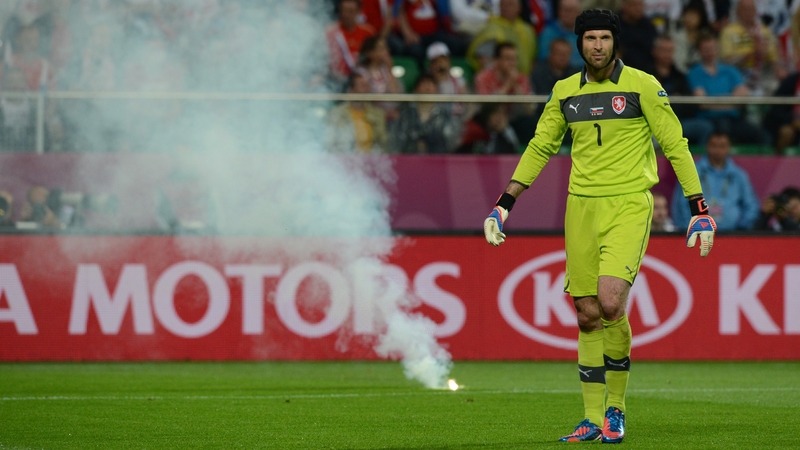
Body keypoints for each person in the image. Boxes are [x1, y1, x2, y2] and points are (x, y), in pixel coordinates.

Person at [482, 9, 716, 443]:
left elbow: (675, 145)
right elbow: (540, 146)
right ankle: (591, 418)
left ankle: (617, 409)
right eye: (590, 38)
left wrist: (698, 207)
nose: (597, 46)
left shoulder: (643, 85)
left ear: (615, 42)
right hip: (581, 209)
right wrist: (504, 203)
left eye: (605, 38)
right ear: (579, 42)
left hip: (629, 204)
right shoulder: (564, 92)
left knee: (610, 302)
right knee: (587, 313)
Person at [687, 33, 770, 146]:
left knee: (762, 135)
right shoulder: (694, 73)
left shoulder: (730, 70)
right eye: (706, 49)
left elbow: (743, 95)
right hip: (709, 119)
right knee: (721, 130)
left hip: (732, 118)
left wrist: (714, 101)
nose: (710, 52)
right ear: (699, 51)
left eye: (712, 48)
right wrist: (731, 99)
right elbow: (702, 103)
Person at [671, 132, 759, 232]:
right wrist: (690, 230)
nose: (718, 150)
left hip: (732, 236)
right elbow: (679, 205)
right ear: (707, 146)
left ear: (729, 148)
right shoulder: (692, 172)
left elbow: (751, 206)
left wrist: (740, 229)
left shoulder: (739, 175)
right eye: (714, 145)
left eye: (722, 146)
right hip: (698, 235)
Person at [390, 72, 461, 153]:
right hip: (410, 159)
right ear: (416, 89)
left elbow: (450, 142)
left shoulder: (445, 115)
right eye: (423, 83)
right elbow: (398, 140)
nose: (427, 87)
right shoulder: (407, 114)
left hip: (439, 159)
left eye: (430, 84)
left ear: (437, 90)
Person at [466, 0, 537, 74]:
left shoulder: (527, 30)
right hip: (498, 78)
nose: (506, 8)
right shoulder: (492, 28)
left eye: (510, 4)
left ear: (519, 8)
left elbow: (533, 59)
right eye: (502, 5)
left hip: (525, 78)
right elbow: (484, 60)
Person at [326, 70, 389, 153]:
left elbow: (383, 144)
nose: (367, 89)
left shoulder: (378, 114)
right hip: (344, 159)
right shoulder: (336, 113)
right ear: (351, 90)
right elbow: (330, 143)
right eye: (362, 86)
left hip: (372, 160)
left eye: (367, 86)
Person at [455, 101, 520, 154]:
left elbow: (510, 153)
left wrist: (502, 133)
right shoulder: (476, 131)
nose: (500, 118)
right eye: (496, 113)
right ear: (488, 115)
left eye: (503, 113)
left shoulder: (506, 133)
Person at [536, 0, 584, 68]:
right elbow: (543, 58)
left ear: (579, 13)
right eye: (563, 10)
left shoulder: (585, 33)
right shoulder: (548, 32)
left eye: (570, 10)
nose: (566, 14)